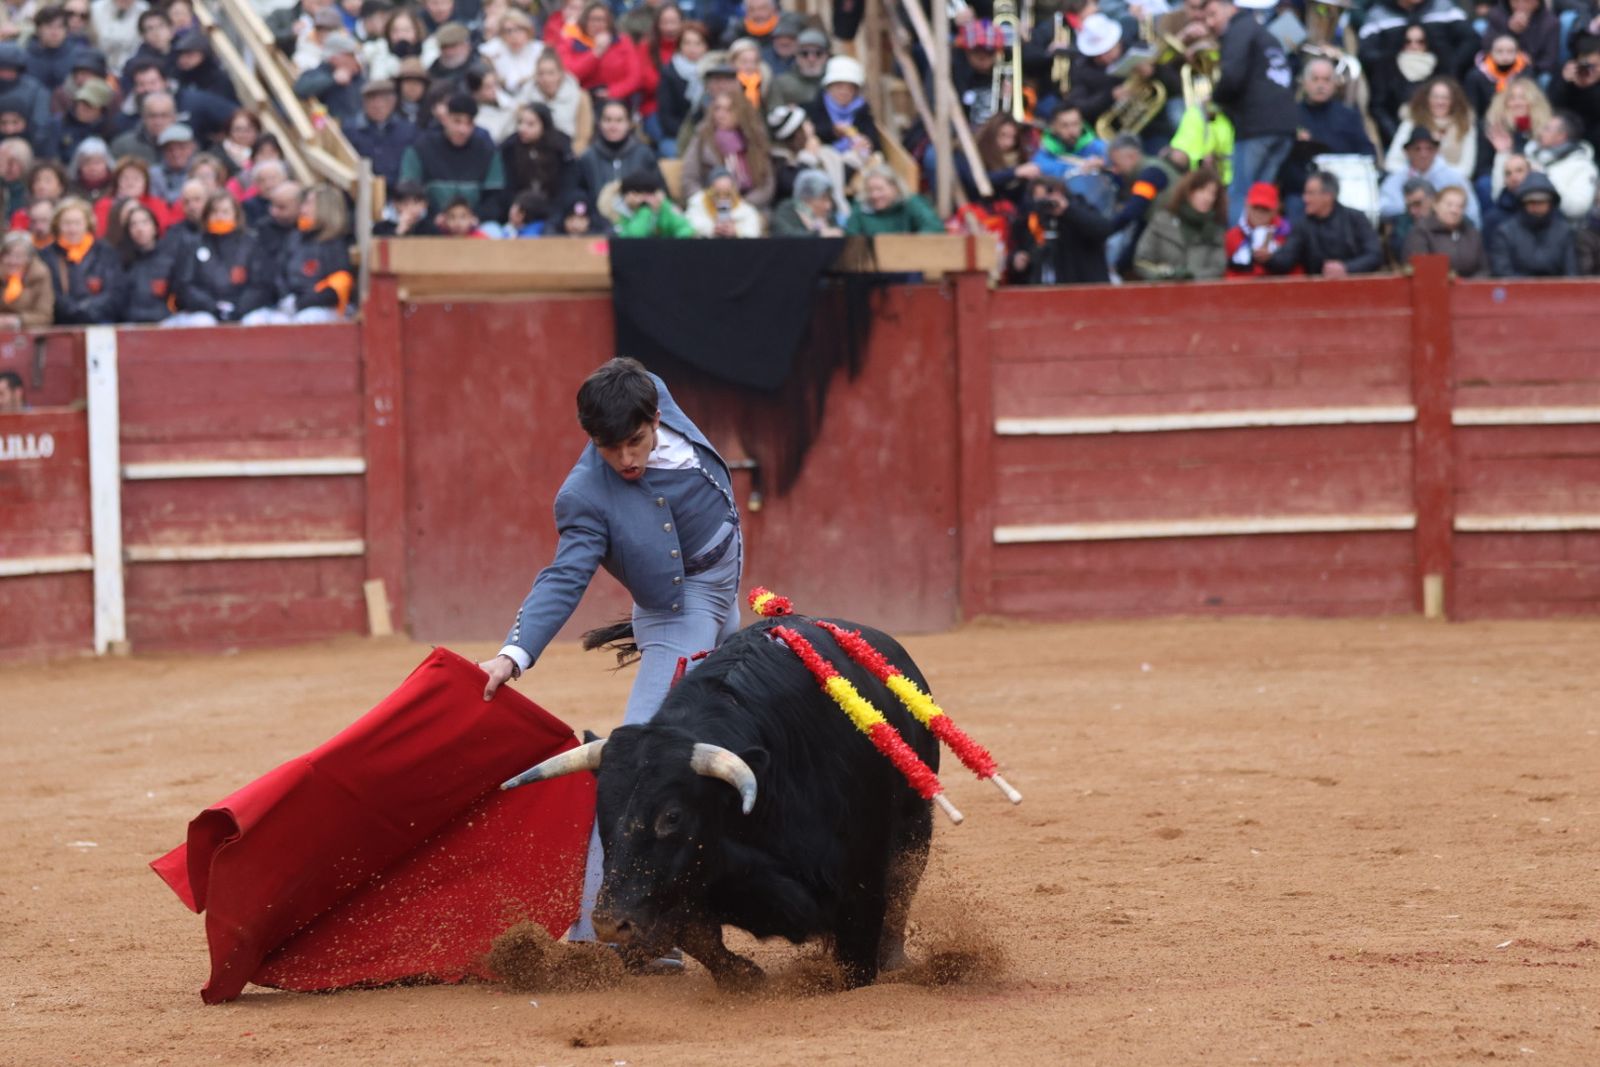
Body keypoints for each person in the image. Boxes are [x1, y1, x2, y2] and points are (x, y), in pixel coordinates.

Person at [478, 357, 743, 953]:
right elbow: (563, 577)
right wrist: (513, 654)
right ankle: (601, 938)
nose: (626, 459)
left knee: (736, 740)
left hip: (725, 602)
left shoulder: (652, 391)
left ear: (655, 417)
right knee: (638, 768)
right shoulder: (585, 496)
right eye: (608, 448)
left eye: (635, 442)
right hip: (680, 617)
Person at [1201, 0, 1298, 221]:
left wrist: (1214, 98)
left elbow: (1232, 78)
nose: (1210, 22)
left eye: (1213, 14)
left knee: (1240, 194)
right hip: (1285, 127)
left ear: (1231, 8)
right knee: (1260, 197)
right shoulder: (1263, 32)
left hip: (1257, 126)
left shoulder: (1238, 29)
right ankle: (1256, 241)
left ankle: (1236, 242)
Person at [167, 191, 273, 326]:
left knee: (255, 322)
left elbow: (260, 284)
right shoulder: (193, 244)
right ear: (206, 216)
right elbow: (184, 284)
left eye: (225, 212)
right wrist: (212, 307)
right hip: (204, 310)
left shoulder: (251, 243)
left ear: (236, 215)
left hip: (244, 309)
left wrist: (239, 308)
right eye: (215, 212)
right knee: (202, 322)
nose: (220, 217)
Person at [399, 92, 506, 218]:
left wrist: (472, 218)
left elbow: (494, 199)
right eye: (457, 121)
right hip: (430, 221)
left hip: (475, 222)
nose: (463, 129)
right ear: (445, 119)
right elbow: (409, 192)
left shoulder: (487, 151)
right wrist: (435, 218)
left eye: (469, 123)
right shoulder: (421, 148)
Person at [1267, 169, 1383, 276]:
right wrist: (1268, 258)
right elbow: (1286, 260)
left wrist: (1347, 268)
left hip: (1357, 285)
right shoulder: (1302, 225)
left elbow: (1375, 255)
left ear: (1328, 196)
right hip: (1316, 288)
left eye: (1310, 193)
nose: (1305, 199)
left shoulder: (1355, 218)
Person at [679, 87, 774, 210]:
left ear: (741, 113)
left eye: (728, 110)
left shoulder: (755, 141)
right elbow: (689, 179)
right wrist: (707, 203)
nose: (720, 115)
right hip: (710, 206)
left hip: (750, 206)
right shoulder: (702, 139)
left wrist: (742, 205)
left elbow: (767, 185)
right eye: (717, 109)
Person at [1007, 175, 1113, 286]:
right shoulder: (1031, 221)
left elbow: (1103, 229)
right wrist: (1017, 261)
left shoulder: (1080, 207)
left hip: (1082, 286)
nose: (1046, 204)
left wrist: (1067, 210)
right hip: (1045, 288)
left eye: (1048, 197)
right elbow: (1024, 251)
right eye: (1040, 200)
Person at [1134, 167, 1228, 281]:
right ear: (1188, 191)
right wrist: (1166, 274)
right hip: (1164, 289)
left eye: (1213, 193)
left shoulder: (1215, 230)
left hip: (1201, 290)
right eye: (1201, 190)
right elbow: (1142, 261)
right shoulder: (1162, 222)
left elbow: (1218, 268)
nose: (1208, 198)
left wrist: (1191, 277)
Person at [1379, 127, 1480, 226]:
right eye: (1417, 149)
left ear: (1436, 151)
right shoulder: (1396, 179)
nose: (1423, 154)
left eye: (1429, 148)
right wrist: (1413, 207)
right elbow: (1383, 208)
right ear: (1407, 152)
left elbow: (1472, 214)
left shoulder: (1454, 178)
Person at [573, 98, 660, 210]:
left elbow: (659, 192)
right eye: (608, 120)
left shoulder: (644, 154)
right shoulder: (588, 157)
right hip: (598, 217)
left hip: (639, 216)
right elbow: (578, 196)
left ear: (629, 123)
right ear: (599, 123)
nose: (613, 126)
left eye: (619, 120)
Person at [43, 197, 119, 323]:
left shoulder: (104, 251)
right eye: (67, 223)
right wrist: (72, 309)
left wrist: (88, 308)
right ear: (57, 225)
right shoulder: (48, 255)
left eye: (78, 223)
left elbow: (113, 290)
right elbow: (49, 293)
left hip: (100, 320)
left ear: (87, 224)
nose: (72, 229)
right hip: (61, 322)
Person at [1384, 77, 1478, 180]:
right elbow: (1392, 162)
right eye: (1435, 97)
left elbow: (1466, 169)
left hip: (1451, 183)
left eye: (1445, 98)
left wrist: (1437, 175)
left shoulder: (1465, 126)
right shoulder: (1411, 123)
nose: (1440, 102)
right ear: (1426, 99)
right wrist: (1416, 176)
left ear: (1454, 101)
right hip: (1412, 182)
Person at [1488, 171, 1577, 275]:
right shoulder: (1505, 233)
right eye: (1531, 202)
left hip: (1559, 285)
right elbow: (1502, 272)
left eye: (1542, 202)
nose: (1536, 207)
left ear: (1551, 203)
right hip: (1517, 285)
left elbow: (1571, 272)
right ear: (1522, 204)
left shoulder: (1564, 232)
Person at [1525, 112, 1598, 222]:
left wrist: (1543, 179)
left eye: (1547, 129)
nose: (1540, 132)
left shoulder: (1584, 168)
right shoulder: (1529, 156)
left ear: (1561, 136)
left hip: (1563, 228)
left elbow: (1577, 209)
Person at [1401, 183, 1488, 275]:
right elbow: (1419, 269)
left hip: (1470, 283)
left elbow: (1484, 269)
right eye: (1449, 205)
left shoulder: (1472, 233)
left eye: (1460, 206)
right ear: (1435, 205)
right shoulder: (1421, 232)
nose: (1454, 210)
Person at [111, 200, 176, 323]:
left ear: (155, 227)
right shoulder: (121, 261)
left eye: (145, 223)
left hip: (165, 321)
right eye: (133, 224)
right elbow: (117, 299)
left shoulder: (170, 258)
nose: (139, 229)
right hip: (131, 323)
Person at [345, 78, 418, 186]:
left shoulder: (408, 130)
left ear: (394, 101)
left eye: (385, 99)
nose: (378, 105)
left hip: (398, 191)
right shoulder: (350, 130)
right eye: (372, 99)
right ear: (364, 103)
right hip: (362, 189)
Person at [804, 55, 880, 155]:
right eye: (839, 86)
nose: (844, 92)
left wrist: (866, 143)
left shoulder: (863, 112)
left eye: (850, 88)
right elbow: (815, 132)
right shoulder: (815, 108)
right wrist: (833, 132)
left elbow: (873, 141)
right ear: (829, 87)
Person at [654, 17, 707, 155]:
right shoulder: (669, 73)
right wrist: (689, 135)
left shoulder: (713, 73)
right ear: (679, 46)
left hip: (708, 135)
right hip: (677, 134)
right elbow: (666, 117)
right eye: (687, 43)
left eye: (698, 43)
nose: (692, 49)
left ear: (706, 46)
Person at [844, 164, 943, 235]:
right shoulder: (861, 208)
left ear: (894, 188)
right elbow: (850, 237)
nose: (874, 195)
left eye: (879, 189)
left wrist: (911, 245)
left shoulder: (911, 202)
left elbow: (934, 227)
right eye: (870, 190)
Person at [529, 50, 592, 154]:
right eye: (541, 74)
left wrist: (570, 156)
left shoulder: (580, 97)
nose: (546, 79)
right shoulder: (527, 97)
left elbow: (583, 136)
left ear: (561, 74)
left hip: (568, 153)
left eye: (551, 73)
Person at [1225, 181, 1293, 277]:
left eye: (1265, 209)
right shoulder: (1231, 237)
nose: (1259, 213)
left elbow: (1295, 276)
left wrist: (1272, 259)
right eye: (1256, 207)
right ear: (1247, 206)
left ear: (1275, 211)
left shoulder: (1286, 236)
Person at [613, 167, 695, 236]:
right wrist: (645, 210)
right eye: (639, 194)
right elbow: (635, 235)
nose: (649, 199)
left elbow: (686, 229)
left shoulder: (664, 206)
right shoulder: (619, 212)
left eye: (650, 193)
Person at [685, 164, 762, 236]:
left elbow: (752, 229)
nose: (722, 199)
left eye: (727, 194)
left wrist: (736, 231)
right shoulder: (698, 203)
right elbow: (690, 223)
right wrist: (712, 229)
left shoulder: (744, 208)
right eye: (717, 194)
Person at [0, 229, 54, 329]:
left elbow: (45, 315)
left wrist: (17, 320)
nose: (13, 261)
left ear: (28, 259)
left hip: (29, 332)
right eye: (8, 255)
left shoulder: (40, 275)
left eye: (19, 256)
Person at [770, 166, 843, 235]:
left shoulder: (828, 216)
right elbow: (785, 236)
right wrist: (818, 235)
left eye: (829, 199)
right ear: (806, 198)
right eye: (822, 199)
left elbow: (837, 232)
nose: (828, 206)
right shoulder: (786, 211)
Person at [767, 25, 826, 109]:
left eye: (818, 53)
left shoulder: (835, 82)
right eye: (804, 53)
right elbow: (774, 111)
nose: (811, 59)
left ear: (826, 56)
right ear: (796, 55)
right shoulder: (781, 83)